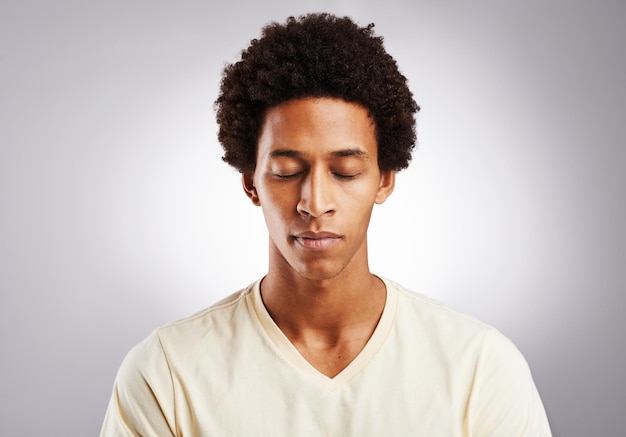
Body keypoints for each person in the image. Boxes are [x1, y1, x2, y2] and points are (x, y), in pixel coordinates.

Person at [100, 13, 552, 436]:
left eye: (346, 172)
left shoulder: (479, 367)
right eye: (287, 170)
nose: (315, 203)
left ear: (385, 178)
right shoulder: (167, 372)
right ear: (250, 182)